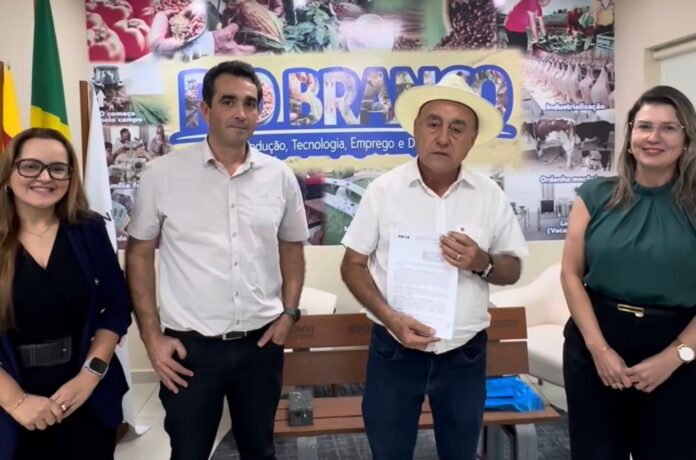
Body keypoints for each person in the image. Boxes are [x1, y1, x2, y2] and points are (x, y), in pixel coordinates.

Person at [126, 60, 309, 460]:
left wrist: (289, 312)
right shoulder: (162, 174)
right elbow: (139, 255)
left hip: (261, 345)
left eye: (250, 103)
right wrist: (152, 337)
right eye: (228, 101)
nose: (241, 112)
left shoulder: (279, 176)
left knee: (260, 450)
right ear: (205, 110)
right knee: (189, 451)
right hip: (190, 350)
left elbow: (292, 247)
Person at [340, 73, 529, 460]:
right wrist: (391, 319)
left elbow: (512, 268)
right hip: (394, 352)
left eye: (457, 129)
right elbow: (352, 265)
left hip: (464, 355)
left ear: (472, 140)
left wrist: (483, 262)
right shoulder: (383, 191)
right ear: (416, 130)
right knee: (389, 453)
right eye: (433, 124)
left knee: (460, 454)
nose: (443, 138)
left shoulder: (489, 196)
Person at [561, 85, 696, 460]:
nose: (654, 137)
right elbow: (571, 274)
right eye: (645, 126)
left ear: (686, 139)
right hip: (597, 341)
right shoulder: (594, 195)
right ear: (630, 135)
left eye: (668, 128)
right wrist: (599, 350)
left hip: (679, 348)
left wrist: (676, 356)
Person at [0, 128, 132, 460]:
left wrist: (90, 375)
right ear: (9, 172)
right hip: (9, 401)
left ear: (70, 177)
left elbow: (117, 307)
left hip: (84, 396)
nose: (45, 177)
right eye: (31, 166)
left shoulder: (88, 229)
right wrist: (16, 401)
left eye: (57, 168)